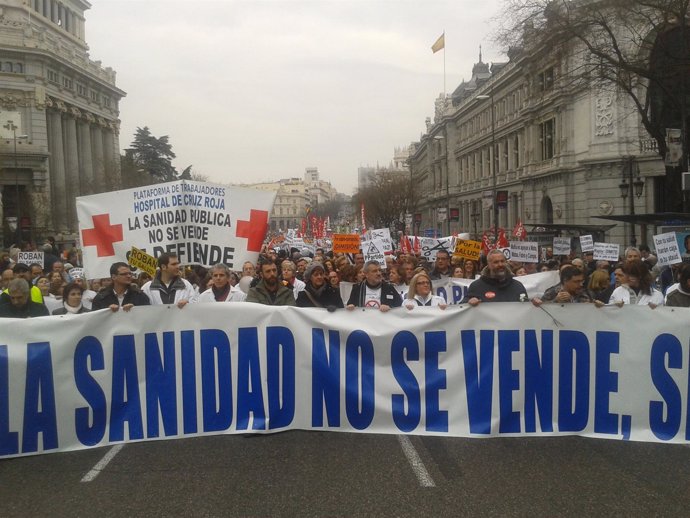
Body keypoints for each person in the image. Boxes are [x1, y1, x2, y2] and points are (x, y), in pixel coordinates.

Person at [462, 249, 528, 305]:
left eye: (502, 261)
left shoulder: (518, 286)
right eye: (496, 262)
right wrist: (468, 302)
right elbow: (461, 309)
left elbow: (526, 307)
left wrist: (533, 303)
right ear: (488, 265)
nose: (500, 264)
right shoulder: (476, 286)